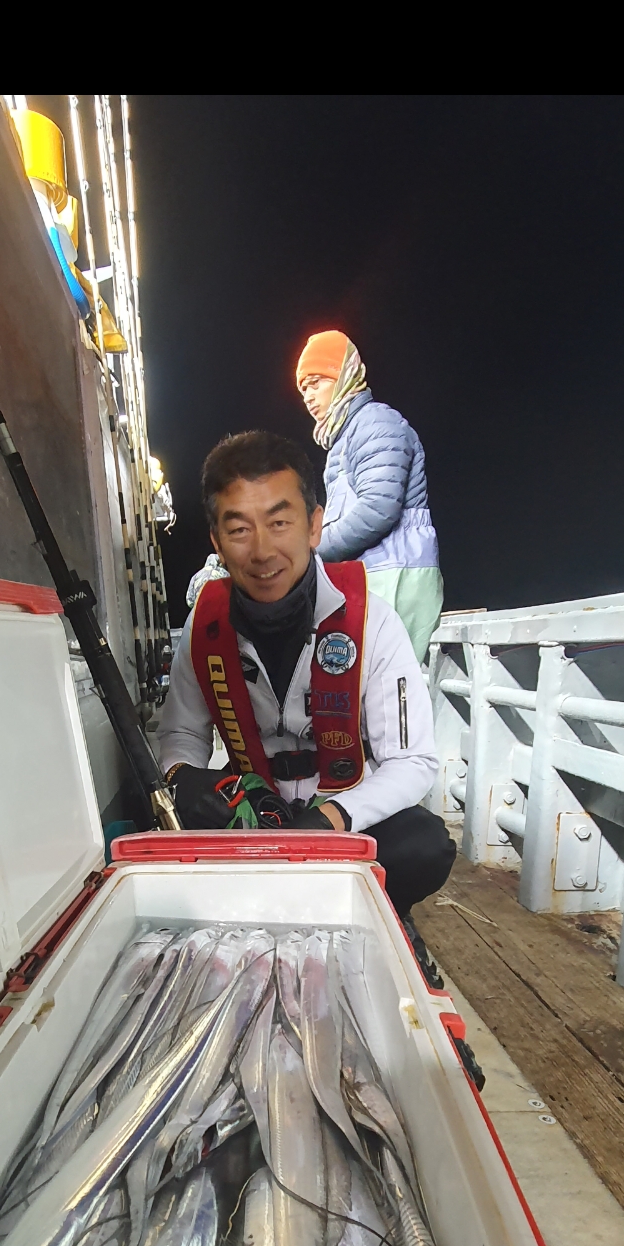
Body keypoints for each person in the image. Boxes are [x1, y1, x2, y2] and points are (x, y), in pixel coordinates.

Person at [159, 429, 456, 951]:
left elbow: (412, 761)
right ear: (217, 542)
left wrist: (331, 818)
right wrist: (183, 778)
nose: (262, 550)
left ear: (314, 524)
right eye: (239, 529)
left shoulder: (373, 622)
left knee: (424, 845)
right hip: (251, 814)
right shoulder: (202, 628)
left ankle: (386, 908)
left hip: (340, 810)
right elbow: (181, 734)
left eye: (279, 522)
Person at [296, 329, 443, 665]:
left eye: (316, 382)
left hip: (398, 575)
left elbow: (378, 508)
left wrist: (307, 551)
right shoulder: (343, 437)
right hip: (371, 577)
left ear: (343, 376)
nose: (308, 396)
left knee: (389, 687)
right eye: (303, 389)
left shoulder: (375, 422)